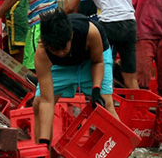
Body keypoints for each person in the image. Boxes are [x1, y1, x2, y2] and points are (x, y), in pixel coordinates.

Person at [33, 9, 118, 145]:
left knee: (106, 104)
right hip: (61, 67)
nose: (60, 53)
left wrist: (96, 90)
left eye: (63, 48)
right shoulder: (42, 53)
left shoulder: (90, 32)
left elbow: (98, 62)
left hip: (91, 60)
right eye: (55, 50)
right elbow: (47, 101)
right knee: (38, 104)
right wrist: (44, 141)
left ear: (71, 37)